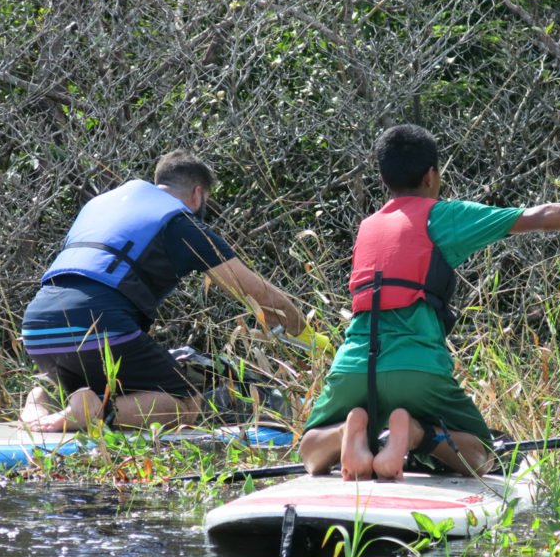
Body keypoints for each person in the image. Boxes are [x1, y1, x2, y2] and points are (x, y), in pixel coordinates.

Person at [298, 124, 560, 481]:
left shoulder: (367, 227)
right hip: (418, 369)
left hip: (353, 366)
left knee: (310, 452)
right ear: (431, 176)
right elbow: (540, 215)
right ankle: (411, 434)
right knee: (482, 455)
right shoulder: (443, 216)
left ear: (382, 180)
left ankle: (345, 435)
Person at [20, 149, 329, 432]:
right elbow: (254, 292)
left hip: (36, 327)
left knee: (101, 380)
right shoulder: (179, 223)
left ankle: (39, 401)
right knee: (185, 403)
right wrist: (309, 336)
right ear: (197, 194)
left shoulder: (100, 204)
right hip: (98, 324)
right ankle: (96, 413)